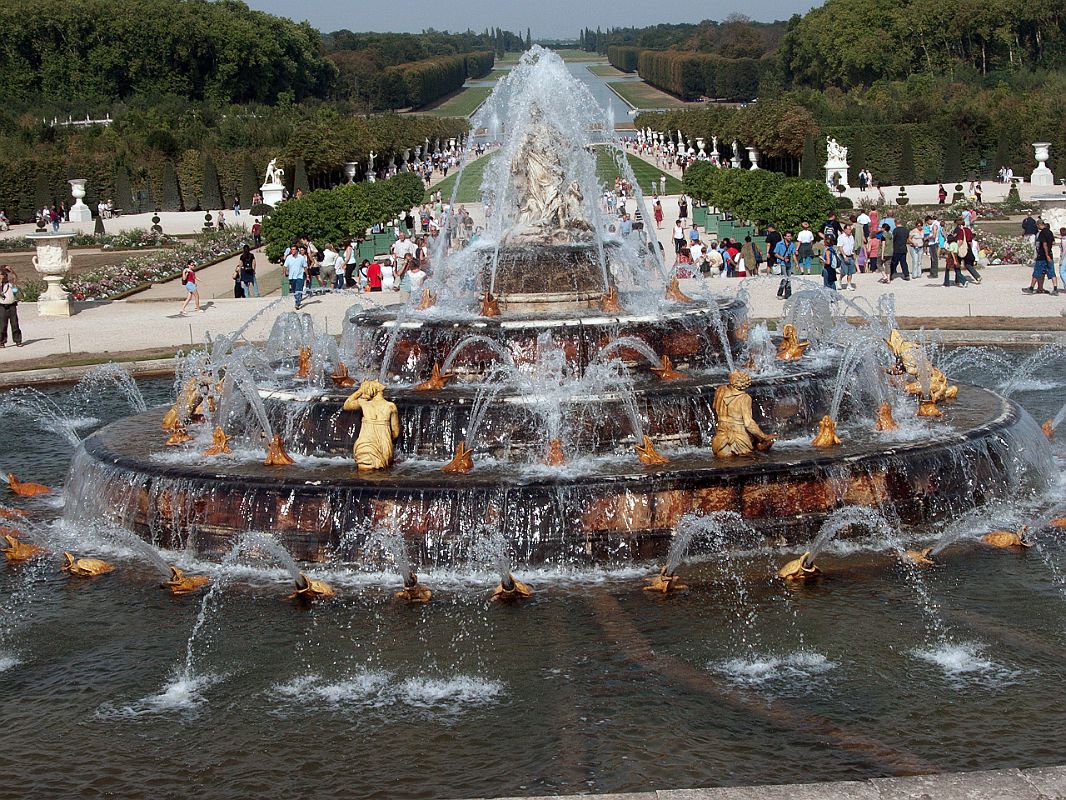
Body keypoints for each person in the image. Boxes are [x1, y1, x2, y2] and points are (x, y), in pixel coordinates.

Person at [1024, 219, 1059, 295]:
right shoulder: (1049, 232)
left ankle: (1031, 288)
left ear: (1039, 225)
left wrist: (1046, 255)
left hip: (1042, 256)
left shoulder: (1042, 233)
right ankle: (1055, 288)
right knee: (1052, 272)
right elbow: (1053, 242)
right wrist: (1049, 253)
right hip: (1050, 254)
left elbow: (1044, 244)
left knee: (1037, 272)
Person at [0, 266, 22, 347]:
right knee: (2, 325)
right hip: (2, 306)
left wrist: (11, 271)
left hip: (12, 306)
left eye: (4, 275)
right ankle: (2, 341)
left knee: (15, 324)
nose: (3, 276)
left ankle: (18, 340)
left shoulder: (10, 284)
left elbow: (15, 278)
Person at [774, 231, 797, 299]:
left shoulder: (792, 244)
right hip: (782, 263)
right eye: (788, 236)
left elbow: (793, 254)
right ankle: (779, 293)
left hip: (789, 263)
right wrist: (783, 258)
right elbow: (775, 253)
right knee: (785, 278)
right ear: (784, 237)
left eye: (790, 236)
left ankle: (788, 295)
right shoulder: (779, 244)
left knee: (789, 279)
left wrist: (796, 263)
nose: (789, 237)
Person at [284, 244, 307, 309]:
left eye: (294, 249)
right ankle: (298, 298)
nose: (292, 251)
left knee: (298, 289)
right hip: (291, 277)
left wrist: (307, 275)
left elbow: (305, 267)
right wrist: (284, 273)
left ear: (297, 250)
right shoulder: (289, 258)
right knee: (294, 290)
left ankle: (297, 303)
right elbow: (285, 266)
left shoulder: (301, 258)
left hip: (299, 276)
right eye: (291, 249)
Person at [837, 223, 857, 290]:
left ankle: (849, 284)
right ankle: (839, 281)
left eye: (850, 229)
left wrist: (854, 254)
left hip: (850, 255)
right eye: (848, 229)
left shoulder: (851, 237)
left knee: (850, 271)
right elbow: (840, 247)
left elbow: (852, 246)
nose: (849, 231)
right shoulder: (841, 237)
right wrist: (844, 256)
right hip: (843, 255)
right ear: (845, 230)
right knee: (844, 270)